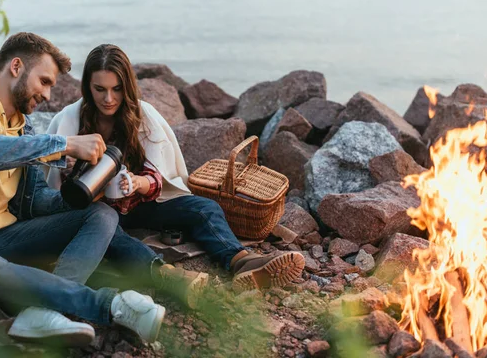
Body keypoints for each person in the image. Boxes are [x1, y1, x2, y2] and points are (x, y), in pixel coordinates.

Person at [0, 33, 166, 346]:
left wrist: (77, 195)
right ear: (16, 67)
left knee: (99, 215)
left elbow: (33, 204)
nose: (47, 94)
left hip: (6, 236)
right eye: (44, 81)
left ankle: (39, 314)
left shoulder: (21, 125)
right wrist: (64, 144)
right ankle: (110, 305)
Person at [45, 44, 306, 305]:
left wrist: (138, 183)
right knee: (107, 232)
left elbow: (159, 176)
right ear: (87, 87)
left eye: (117, 89)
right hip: (98, 212)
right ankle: (169, 276)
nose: (109, 99)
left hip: (140, 202)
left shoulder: (142, 115)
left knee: (204, 208)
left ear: (128, 86)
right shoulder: (70, 120)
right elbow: (54, 187)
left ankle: (242, 262)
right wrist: (71, 168)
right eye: (99, 89)